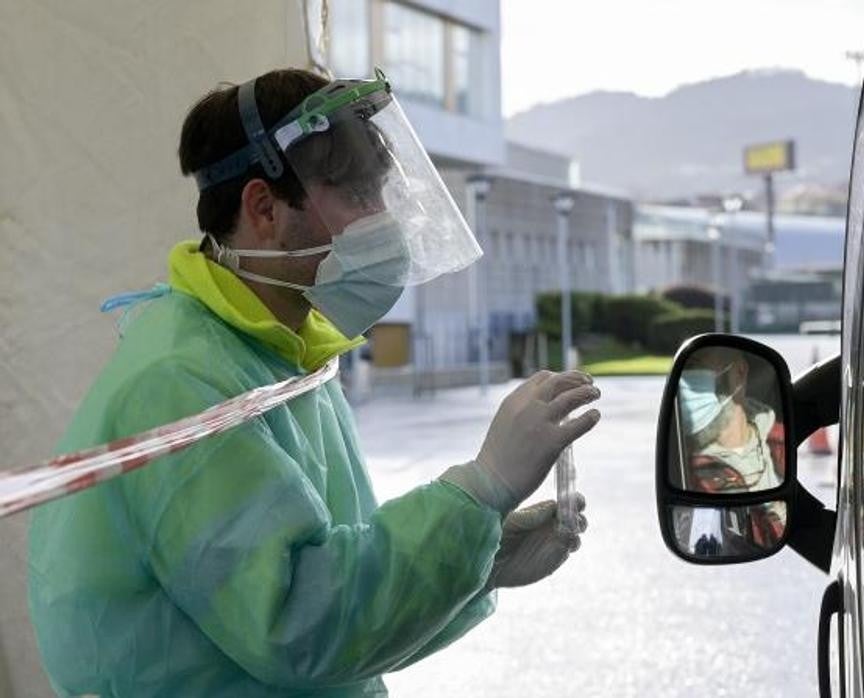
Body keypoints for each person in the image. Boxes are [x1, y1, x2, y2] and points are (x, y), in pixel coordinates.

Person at [27, 68, 601, 697]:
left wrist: (478, 557)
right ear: (264, 208)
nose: (382, 220)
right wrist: (480, 492)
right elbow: (304, 628)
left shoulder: (282, 353)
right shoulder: (184, 381)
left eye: (378, 193)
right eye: (356, 194)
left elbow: (341, 590)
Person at [677, 348, 786, 494]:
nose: (686, 387)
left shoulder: (779, 439)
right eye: (682, 374)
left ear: (739, 373)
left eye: (696, 367)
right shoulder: (683, 460)